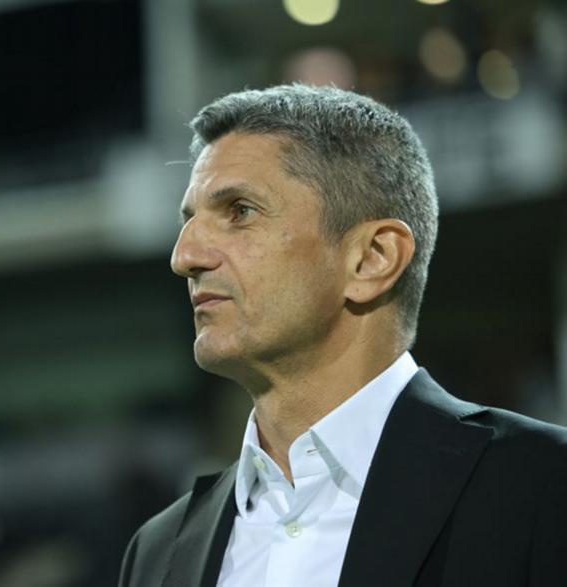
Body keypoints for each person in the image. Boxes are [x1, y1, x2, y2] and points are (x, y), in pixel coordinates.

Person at [118, 84, 567, 587]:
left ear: (373, 259)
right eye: (190, 222)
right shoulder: (156, 552)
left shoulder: (545, 486)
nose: (184, 258)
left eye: (240, 211)